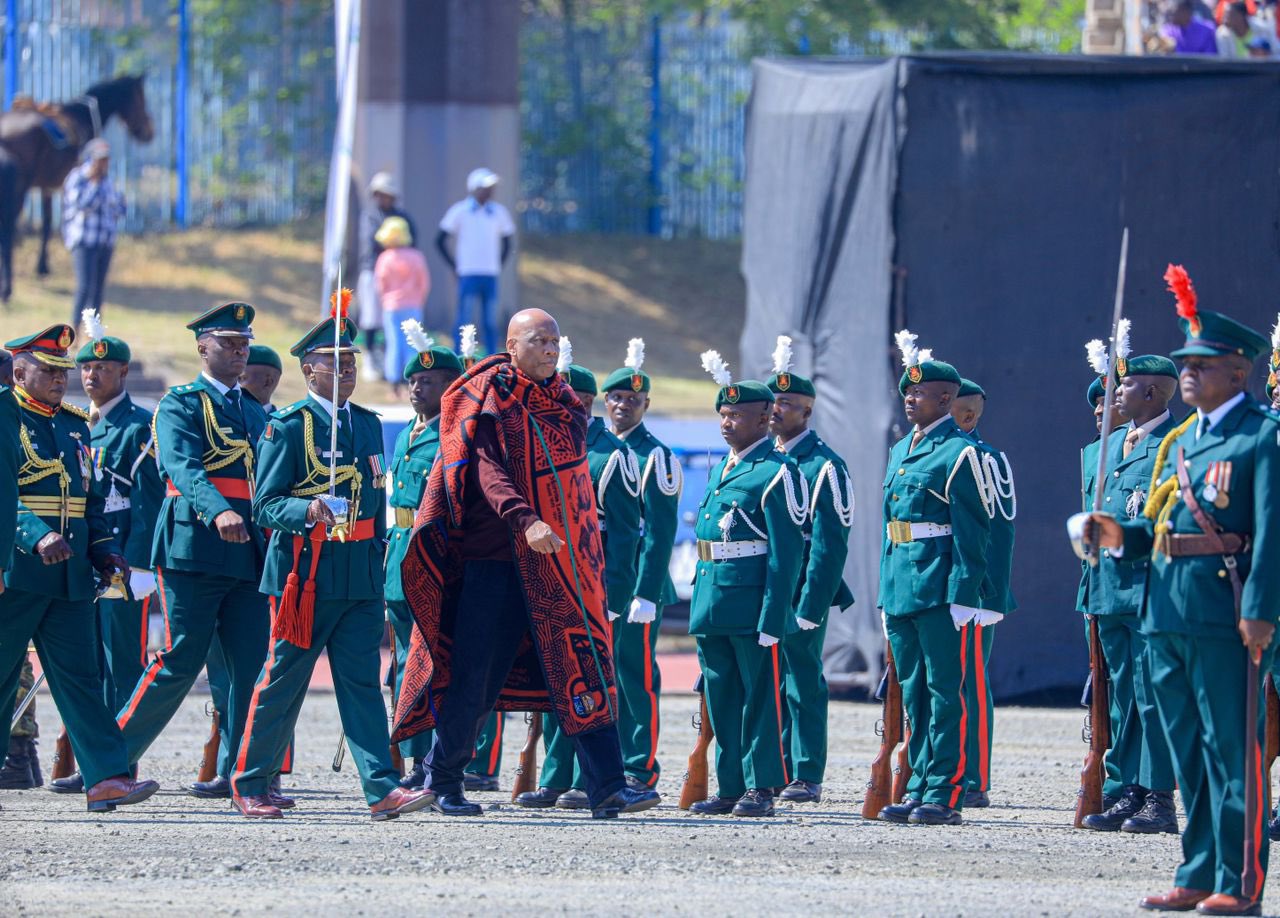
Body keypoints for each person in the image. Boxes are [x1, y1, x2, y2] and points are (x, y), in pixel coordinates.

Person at [391, 308, 659, 820]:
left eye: (555, 340)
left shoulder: (564, 403)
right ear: (512, 345)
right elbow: (487, 471)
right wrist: (525, 520)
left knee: (582, 663)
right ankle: (443, 781)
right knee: (476, 678)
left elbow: (571, 489)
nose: (551, 349)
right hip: (493, 561)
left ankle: (608, 786)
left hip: (556, 564)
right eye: (539, 340)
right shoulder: (487, 395)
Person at [1085, 265, 1279, 916]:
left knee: (1233, 750)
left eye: (1202, 364)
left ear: (1238, 372)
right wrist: (1119, 533)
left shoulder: (1262, 436)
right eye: (1185, 363)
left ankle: (1240, 882)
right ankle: (1196, 871)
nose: (1187, 372)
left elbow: (1273, 532)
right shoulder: (1181, 440)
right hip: (1165, 609)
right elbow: (1164, 525)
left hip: (1226, 611)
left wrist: (1261, 611)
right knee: (1186, 750)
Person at [229, 307, 431, 821]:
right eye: (334, 364)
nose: (345, 372)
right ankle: (250, 781)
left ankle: (381, 788)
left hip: (358, 573)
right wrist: (308, 509)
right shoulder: (288, 426)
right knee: (283, 680)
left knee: (362, 683)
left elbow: (377, 505)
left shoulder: (365, 424)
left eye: (351, 363)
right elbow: (265, 505)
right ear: (309, 371)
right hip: (307, 574)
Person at [114, 303, 276, 804]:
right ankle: (108, 761)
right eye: (228, 343)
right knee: (180, 658)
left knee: (250, 667)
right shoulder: (180, 404)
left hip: (249, 553)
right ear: (203, 347)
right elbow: (183, 468)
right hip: (194, 547)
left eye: (244, 343)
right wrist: (218, 510)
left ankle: (243, 775)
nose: (239, 351)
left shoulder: (255, 410)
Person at [0, 324, 157, 812]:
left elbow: (89, 500)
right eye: (48, 370)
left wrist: (106, 550)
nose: (59, 379)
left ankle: (106, 777)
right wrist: (35, 534)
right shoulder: (4, 416)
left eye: (62, 371)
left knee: (83, 681)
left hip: (69, 576)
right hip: (17, 569)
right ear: (18, 372)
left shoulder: (74, 425)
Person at [516, 349, 642, 810]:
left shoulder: (612, 456)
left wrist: (617, 596)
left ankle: (594, 779)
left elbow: (626, 535)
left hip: (593, 584)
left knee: (593, 682)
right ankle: (555, 777)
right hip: (550, 577)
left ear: (583, 401)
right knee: (555, 679)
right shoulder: (541, 442)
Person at [876, 332, 989, 827]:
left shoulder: (960, 452)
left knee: (946, 692)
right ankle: (919, 783)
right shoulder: (903, 448)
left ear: (945, 399)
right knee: (914, 692)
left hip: (940, 584)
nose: (910, 399)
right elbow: (891, 527)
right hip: (902, 585)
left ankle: (945, 790)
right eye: (907, 392)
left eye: (919, 393)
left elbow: (975, 531)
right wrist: (885, 592)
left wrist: (966, 594)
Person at [686, 351, 805, 818]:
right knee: (721, 697)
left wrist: (775, 616)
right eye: (723, 413)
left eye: (737, 415)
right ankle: (730, 785)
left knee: (760, 698)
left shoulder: (776, 472)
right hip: (712, 600)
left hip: (752, 604)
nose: (726, 422)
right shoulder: (724, 468)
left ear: (763, 419)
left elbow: (785, 553)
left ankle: (762, 786)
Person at [1078, 353, 1183, 837]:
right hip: (1105, 588)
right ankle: (1128, 790)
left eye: (1126, 385)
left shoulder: (1176, 444)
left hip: (1149, 588)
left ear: (1153, 393)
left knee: (1153, 695)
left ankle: (1159, 795)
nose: (1115, 393)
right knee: (1120, 697)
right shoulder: (1102, 448)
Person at [765, 336, 855, 805]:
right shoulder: (764, 459)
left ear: (807, 411)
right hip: (765, 585)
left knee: (801, 681)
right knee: (768, 683)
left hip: (801, 587)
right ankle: (772, 768)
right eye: (773, 402)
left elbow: (829, 545)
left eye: (787, 404)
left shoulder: (824, 466)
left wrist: (812, 605)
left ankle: (805, 771)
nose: (776, 410)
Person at [601, 338, 681, 793]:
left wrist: (646, 592)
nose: (623, 405)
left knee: (634, 676)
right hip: (601, 581)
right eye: (616, 397)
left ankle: (639, 765)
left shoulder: (656, 457)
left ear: (646, 405)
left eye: (633, 399)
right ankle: (603, 763)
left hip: (636, 588)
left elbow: (659, 532)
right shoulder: (596, 450)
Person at [73, 315, 164, 719]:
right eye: (87, 368)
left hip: (121, 559)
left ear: (123, 372)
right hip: (83, 558)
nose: (92, 376)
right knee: (86, 660)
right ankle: (92, 747)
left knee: (122, 660)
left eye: (103, 368)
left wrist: (140, 566)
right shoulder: (77, 424)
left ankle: (123, 746)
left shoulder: (138, 426)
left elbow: (147, 503)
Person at [387, 320, 463, 791]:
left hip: (432, 562)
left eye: (428, 382)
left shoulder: (453, 437)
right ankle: (411, 753)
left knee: (430, 664)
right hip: (399, 559)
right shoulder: (405, 435)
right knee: (402, 664)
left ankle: (432, 760)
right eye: (413, 380)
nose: (417, 388)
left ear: (450, 386)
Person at [948, 379, 1017, 809]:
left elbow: (999, 532)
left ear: (969, 415)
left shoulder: (985, 460)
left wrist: (989, 598)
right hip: (930, 587)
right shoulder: (920, 452)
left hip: (972, 593)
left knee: (969, 683)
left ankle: (973, 776)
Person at [1079, 341, 1129, 810]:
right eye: (1096, 404)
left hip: (1132, 589)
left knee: (1135, 695)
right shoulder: (1094, 454)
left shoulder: (1153, 448)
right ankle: (1115, 782)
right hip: (1099, 587)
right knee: (1109, 694)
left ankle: (1136, 784)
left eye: (1109, 401)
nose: (1100, 410)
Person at [436, 168, 515, 358]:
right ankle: (458, 357)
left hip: (490, 274)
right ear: (474, 189)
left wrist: (497, 264)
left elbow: (507, 241)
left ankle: (492, 358)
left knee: (490, 321)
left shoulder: (498, 212)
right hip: (468, 273)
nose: (490, 191)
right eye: (486, 187)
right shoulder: (460, 210)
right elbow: (440, 239)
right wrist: (455, 266)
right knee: (464, 320)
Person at [358, 172, 418, 382]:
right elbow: (370, 244)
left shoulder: (402, 218)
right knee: (371, 317)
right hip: (373, 270)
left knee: (393, 321)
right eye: (380, 194)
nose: (384, 198)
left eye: (387, 194)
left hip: (398, 279)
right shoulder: (370, 216)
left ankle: (390, 361)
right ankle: (370, 356)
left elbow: (413, 243)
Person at [62, 138, 126, 328]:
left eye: (106, 159)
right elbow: (83, 205)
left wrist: (120, 203)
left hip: (105, 241)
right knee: (84, 287)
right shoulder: (78, 178)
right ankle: (75, 329)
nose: (104, 164)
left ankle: (94, 332)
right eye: (100, 159)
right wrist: (94, 184)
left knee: (98, 290)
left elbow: (119, 209)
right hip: (84, 241)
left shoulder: (108, 181)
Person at [375, 216, 430, 395]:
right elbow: (424, 283)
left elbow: (380, 284)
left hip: (391, 306)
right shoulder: (416, 256)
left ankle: (393, 384)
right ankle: (413, 381)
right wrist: (419, 300)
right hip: (413, 305)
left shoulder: (385, 258)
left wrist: (385, 300)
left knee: (393, 343)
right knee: (412, 344)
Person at [241, 345, 283, 414]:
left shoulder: (287, 421)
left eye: (242, 378)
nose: (235, 384)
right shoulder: (225, 416)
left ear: (268, 382)